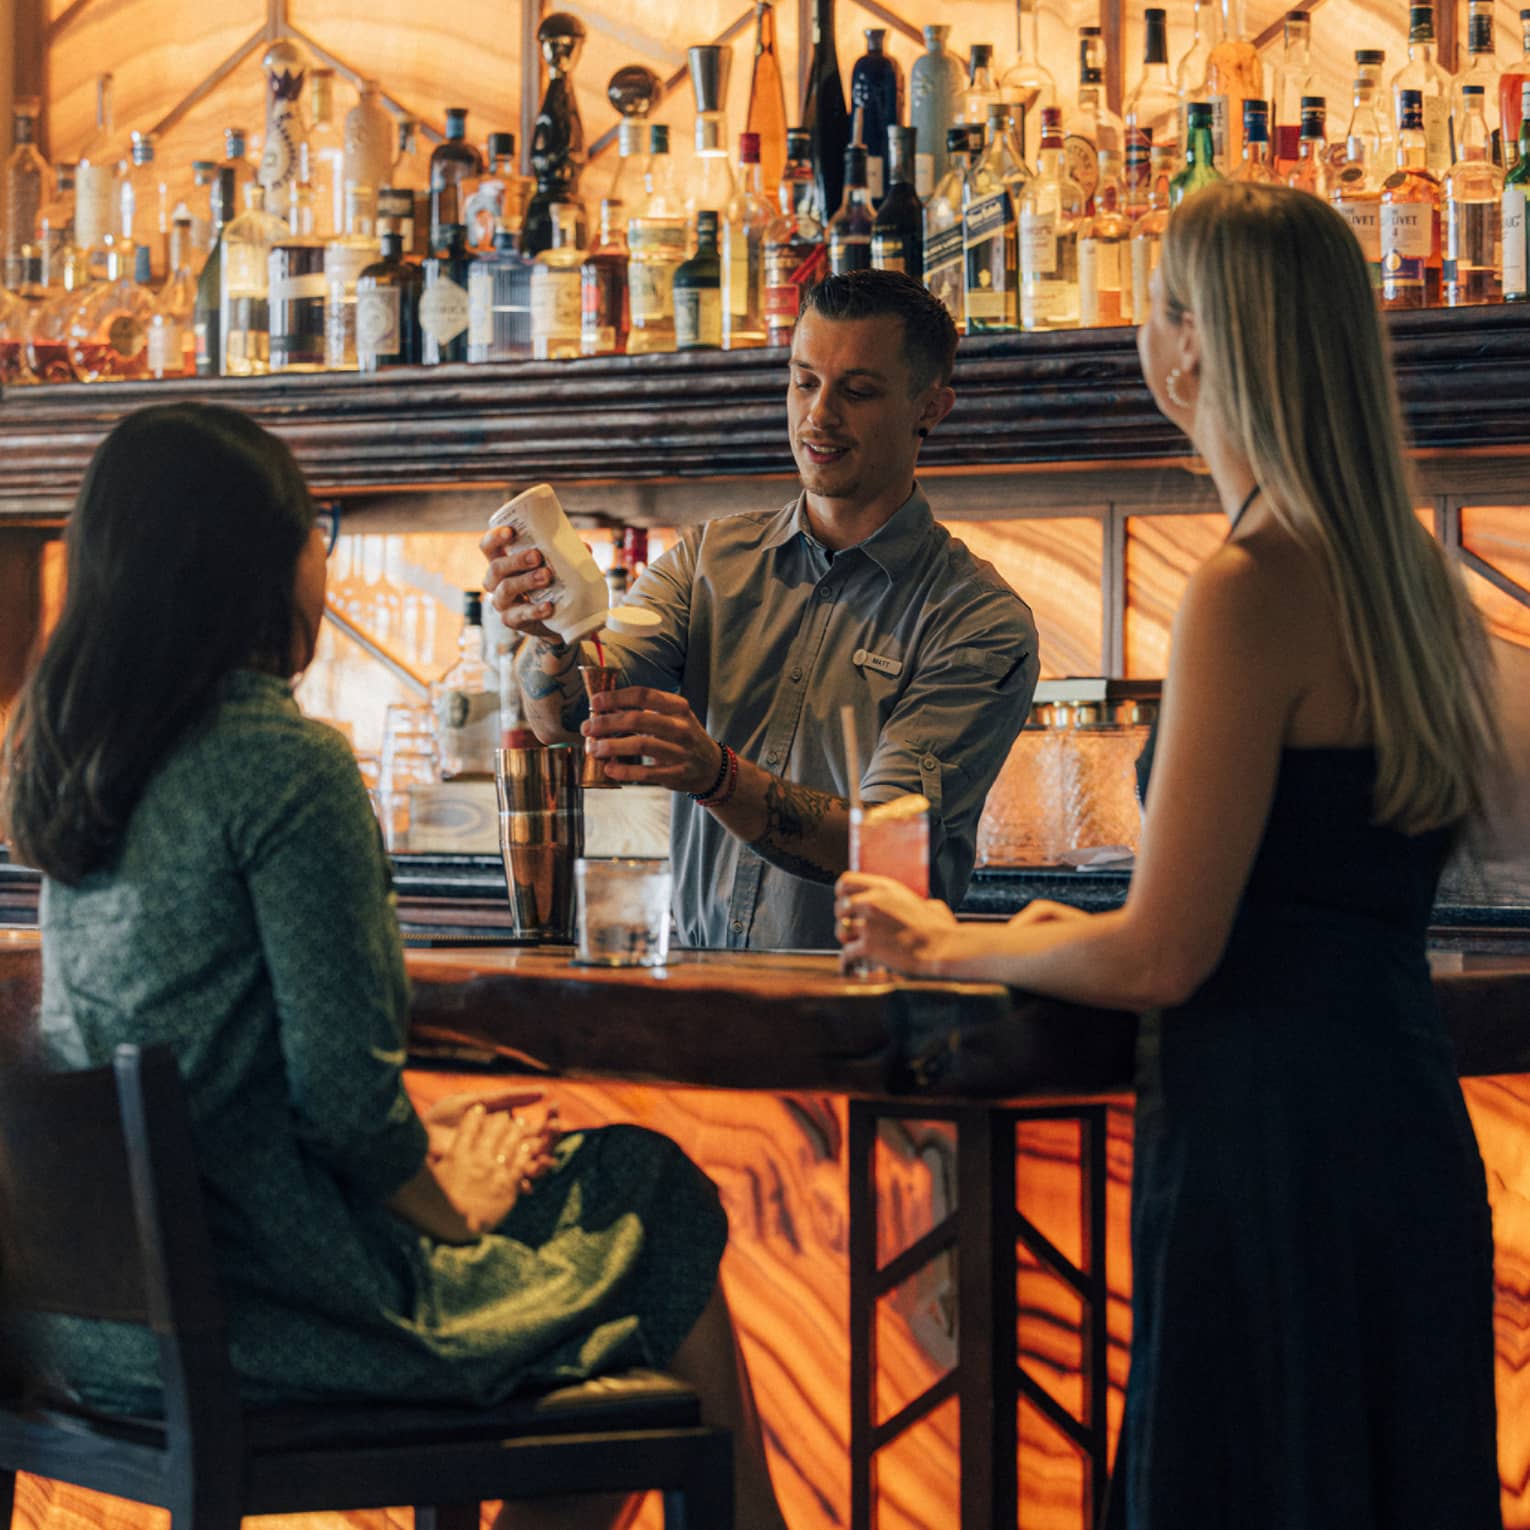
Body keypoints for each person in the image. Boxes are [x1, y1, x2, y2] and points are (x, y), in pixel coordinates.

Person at [837, 182, 1505, 1530]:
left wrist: (951, 940)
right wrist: (1035, 932)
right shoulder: (1410, 579)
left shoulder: (1245, 585)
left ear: (1192, 345)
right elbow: (1291, 898)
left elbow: (1167, 948)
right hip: (1400, 1131)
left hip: (1266, 1148)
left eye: (1152, 306)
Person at [1, 403, 787, 1530]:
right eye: (311, 541)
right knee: (653, 1192)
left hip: (94, 1330)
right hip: (279, 1307)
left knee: (629, 1252)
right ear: (260, 569)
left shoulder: (78, 769)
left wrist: (430, 1178)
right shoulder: (284, 766)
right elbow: (347, 1109)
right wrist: (453, 1201)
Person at [484, 270, 1040, 950]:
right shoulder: (706, 561)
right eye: (804, 381)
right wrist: (552, 636)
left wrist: (717, 776)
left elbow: (891, 845)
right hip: (700, 990)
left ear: (930, 407)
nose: (820, 416)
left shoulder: (975, 618)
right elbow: (567, 717)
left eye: (857, 391)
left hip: (859, 1011)